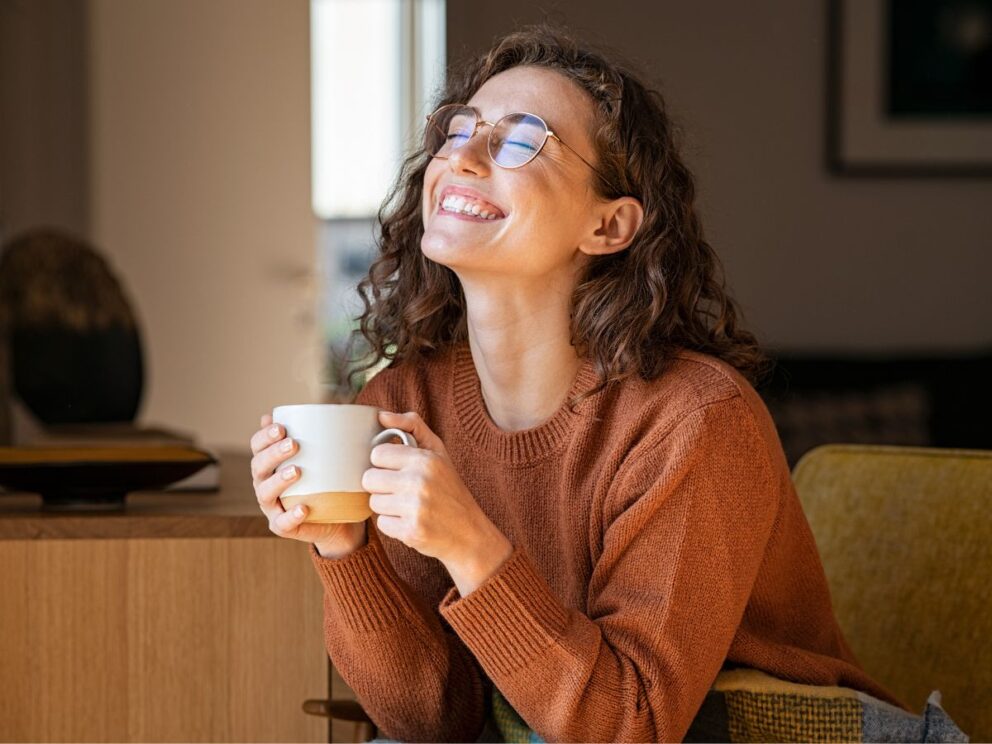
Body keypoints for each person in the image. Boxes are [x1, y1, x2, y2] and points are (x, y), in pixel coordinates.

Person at [248, 24, 905, 743]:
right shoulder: (404, 404)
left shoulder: (695, 420)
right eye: (457, 129)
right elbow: (436, 724)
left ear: (609, 225)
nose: (462, 156)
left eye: (521, 139)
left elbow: (634, 726)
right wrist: (346, 550)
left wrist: (473, 546)